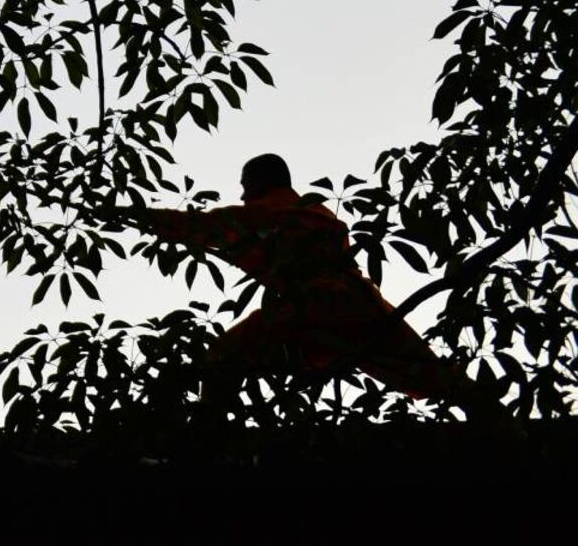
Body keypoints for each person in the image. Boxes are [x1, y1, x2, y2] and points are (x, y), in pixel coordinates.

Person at [117, 153, 502, 419]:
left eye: (245, 187)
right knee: (422, 366)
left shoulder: (269, 215)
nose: (242, 195)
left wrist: (135, 216)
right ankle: (494, 416)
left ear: (260, 184)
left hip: (308, 309)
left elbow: (203, 226)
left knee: (222, 357)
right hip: (360, 306)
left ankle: (208, 437)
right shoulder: (315, 213)